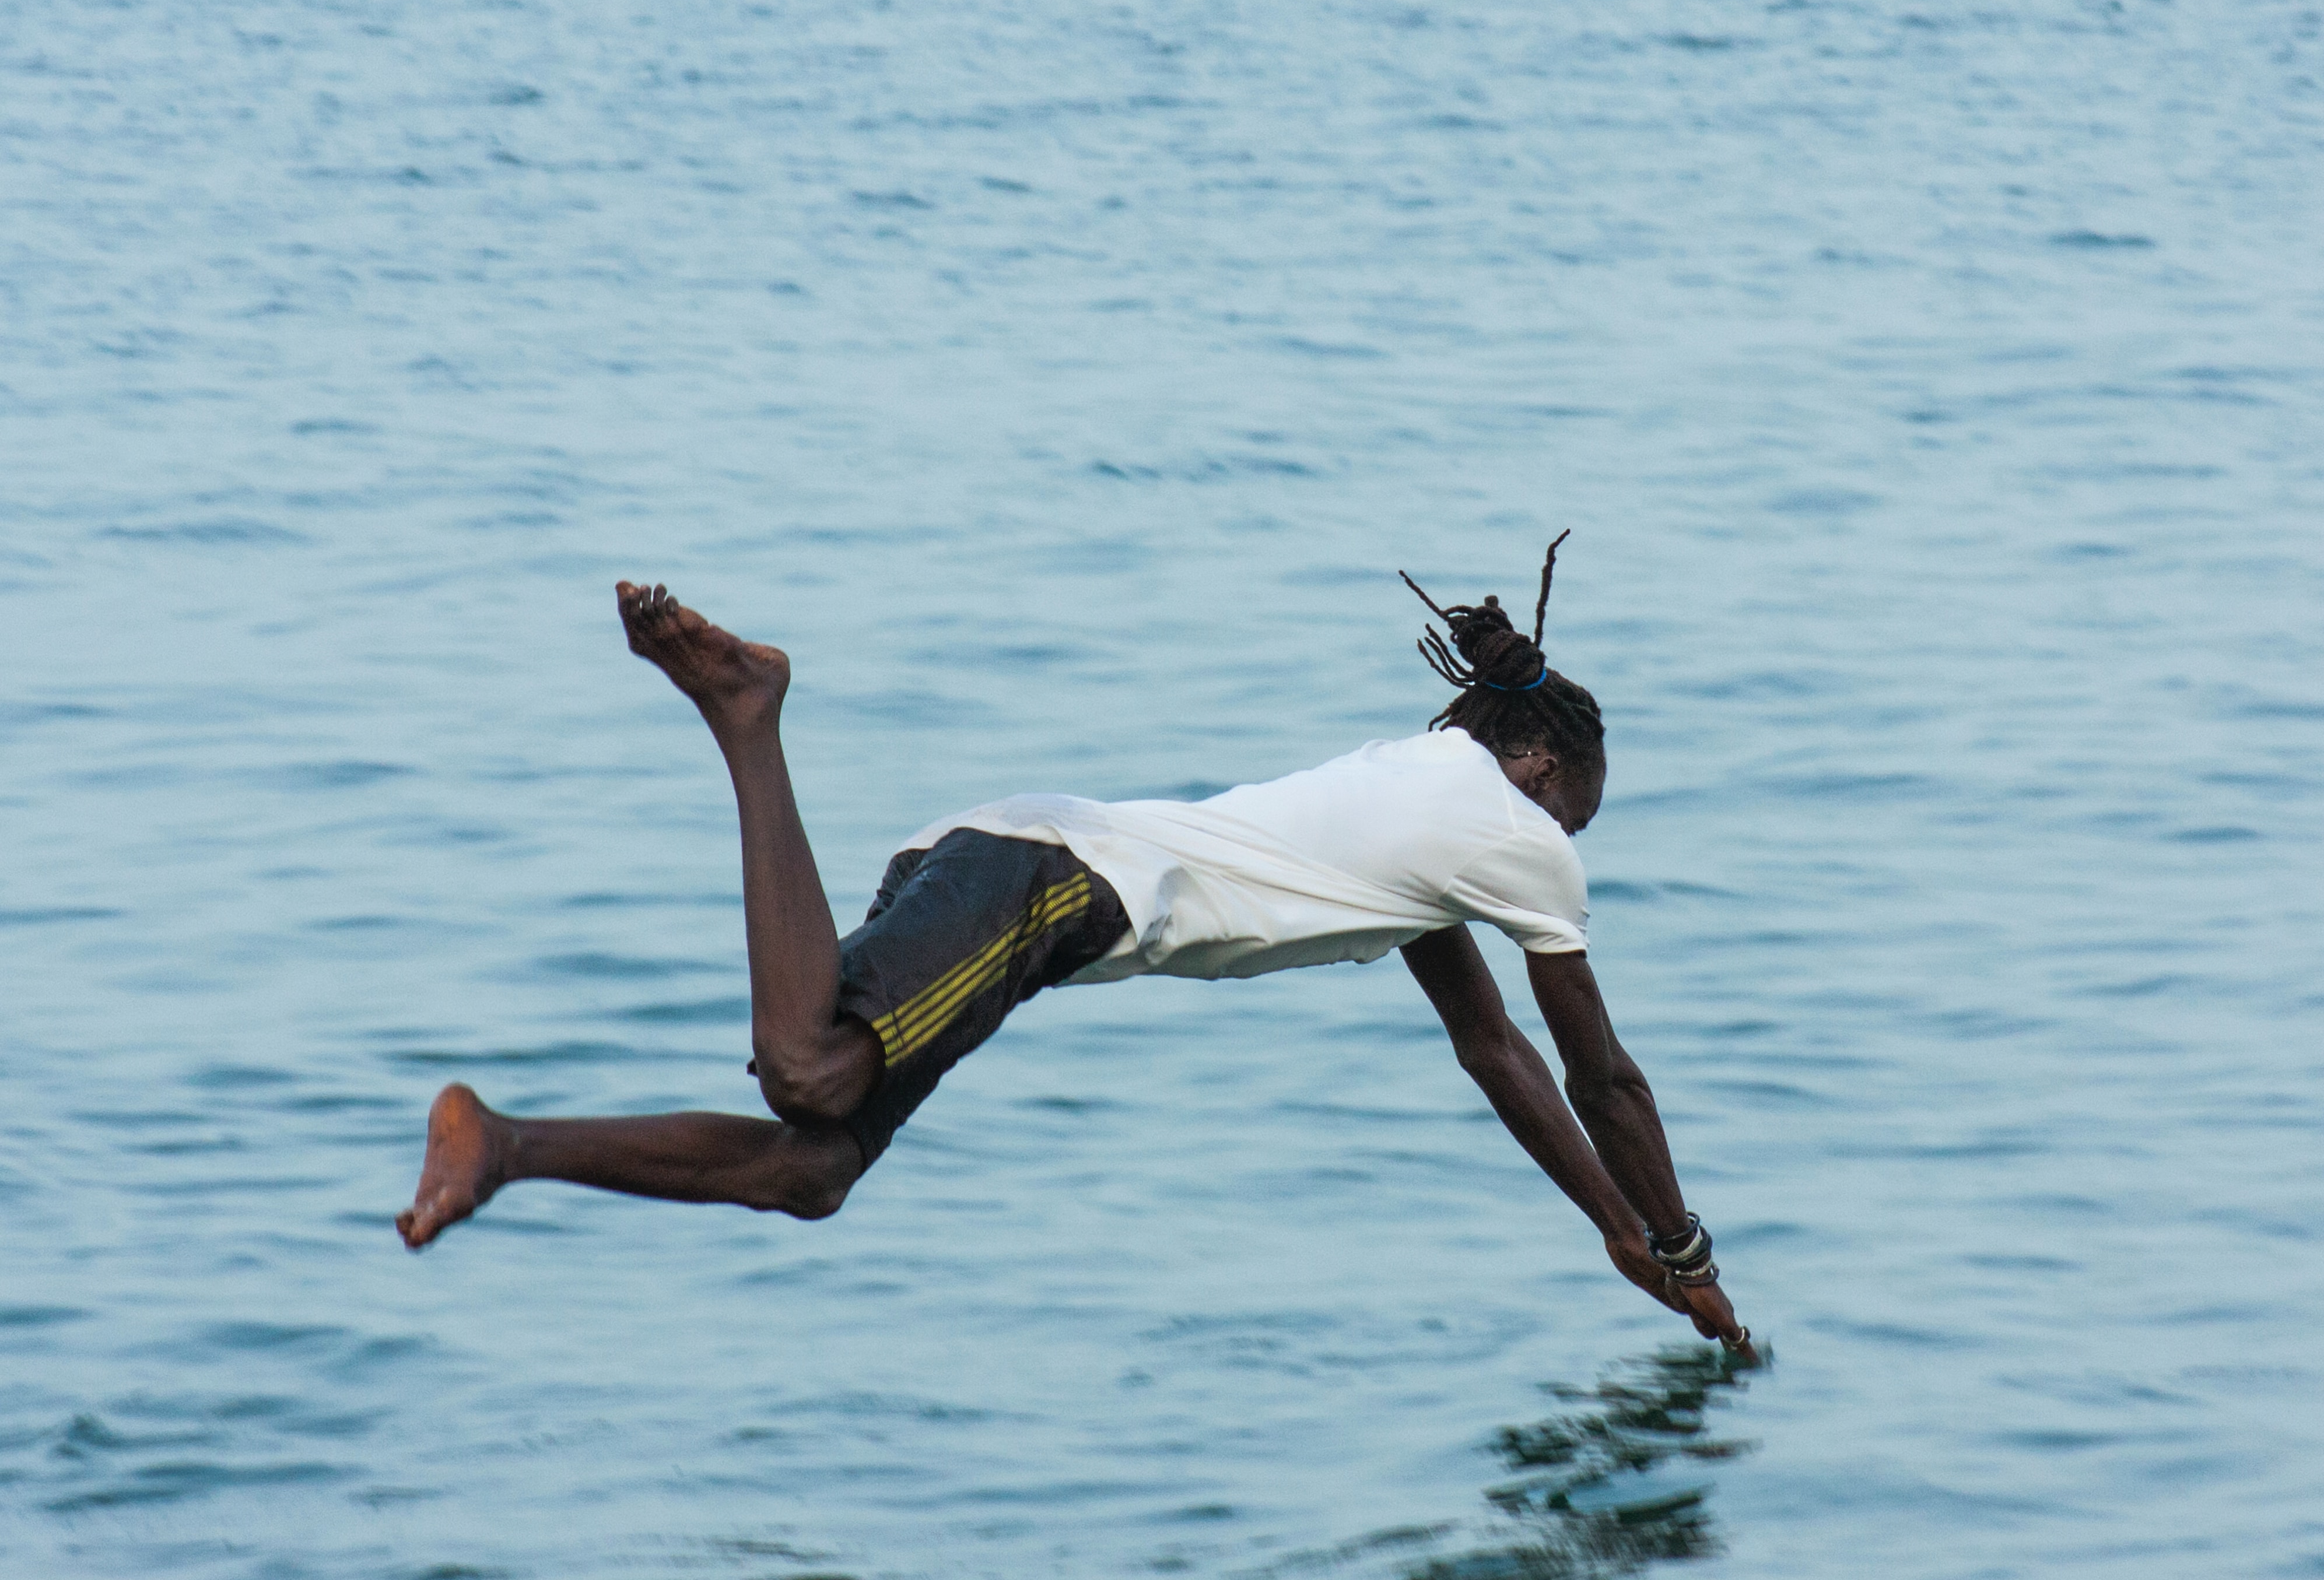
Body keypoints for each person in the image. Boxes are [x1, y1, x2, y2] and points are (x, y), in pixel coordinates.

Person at [397, 553, 1750, 1350]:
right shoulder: (1508, 829)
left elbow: (1489, 1048)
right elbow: (1601, 1076)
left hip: (1007, 871)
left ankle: (503, 1143)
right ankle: (746, 711)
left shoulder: (1419, 799)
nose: (1571, 843)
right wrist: (1683, 1246)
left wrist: (1618, 1236)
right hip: (1050, 884)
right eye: (1577, 811)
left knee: (809, 1171)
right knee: (807, 1075)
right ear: (1539, 763)